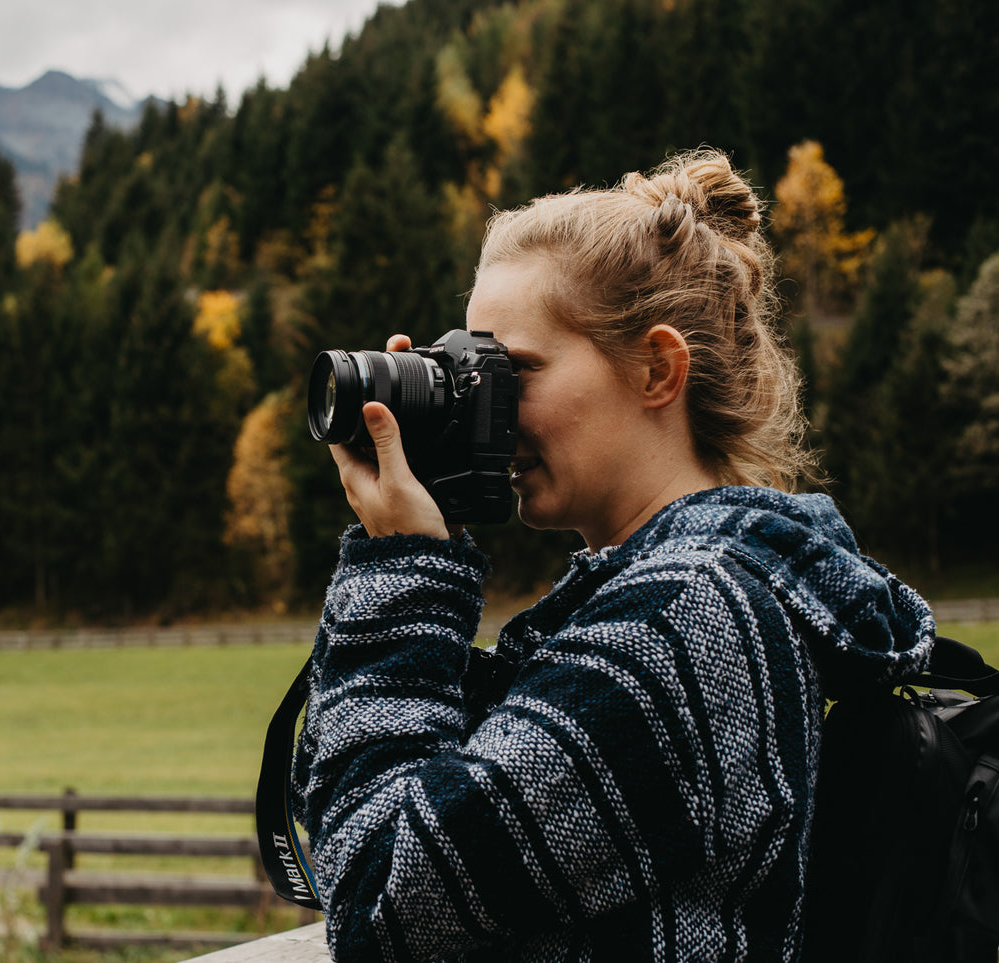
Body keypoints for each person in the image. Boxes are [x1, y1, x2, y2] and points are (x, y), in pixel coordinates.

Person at [289, 150, 934, 962]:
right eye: (465, 373)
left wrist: (403, 575)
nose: (485, 406)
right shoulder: (661, 596)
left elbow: (377, 898)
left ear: (656, 368)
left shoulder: (685, 619)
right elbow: (353, 797)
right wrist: (428, 529)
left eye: (512, 371)